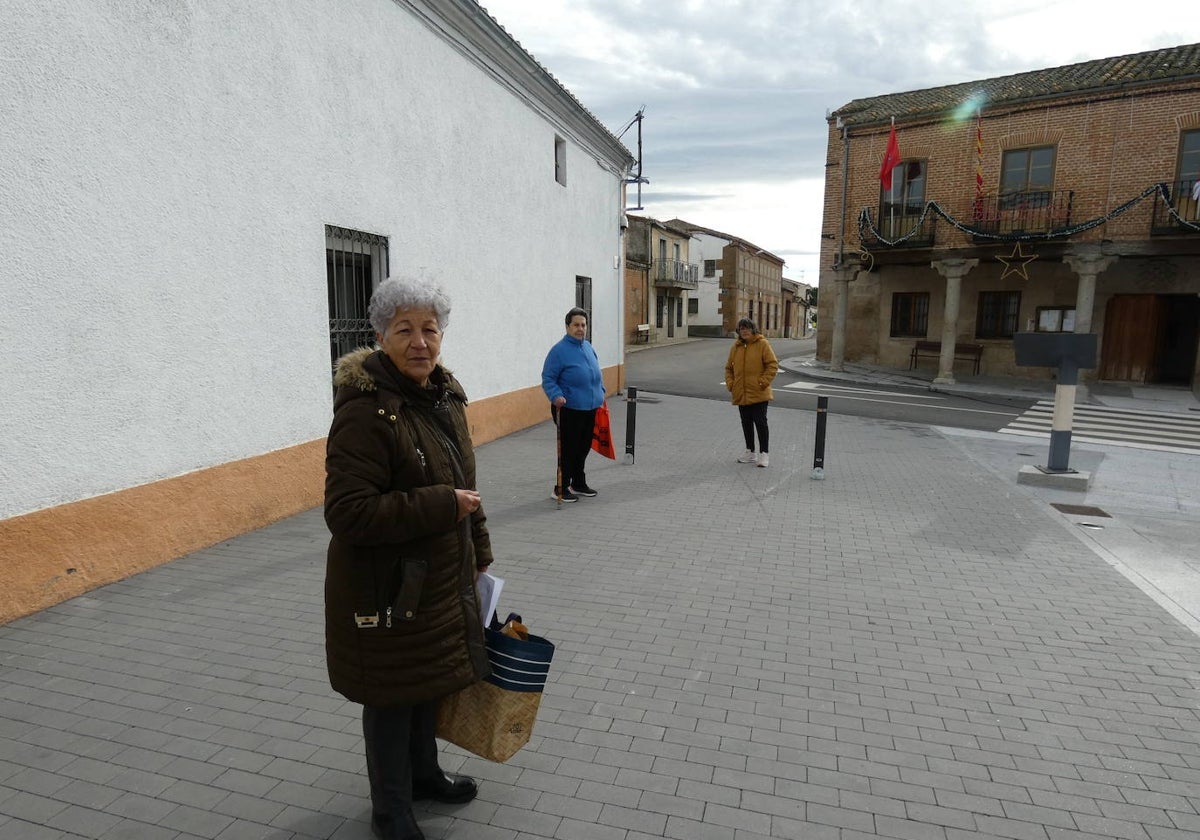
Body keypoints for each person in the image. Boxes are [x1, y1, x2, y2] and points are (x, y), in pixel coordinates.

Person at [324, 276, 492, 840]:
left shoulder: (443, 394)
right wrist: (440, 506)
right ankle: (390, 810)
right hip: (387, 587)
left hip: (440, 578)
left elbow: (466, 483)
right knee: (393, 699)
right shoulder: (365, 411)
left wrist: (481, 554)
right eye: (404, 330)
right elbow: (348, 513)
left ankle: (424, 776)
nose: (420, 341)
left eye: (430, 328)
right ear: (379, 336)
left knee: (429, 684)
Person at [541, 307, 604, 502]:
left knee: (583, 447)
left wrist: (600, 391)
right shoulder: (559, 351)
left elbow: (595, 373)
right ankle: (560, 488)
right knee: (569, 449)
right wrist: (556, 395)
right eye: (576, 325)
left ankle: (578, 483)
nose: (580, 328)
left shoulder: (588, 347)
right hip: (568, 408)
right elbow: (548, 378)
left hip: (589, 407)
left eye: (583, 325)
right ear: (568, 326)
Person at [725, 317, 779, 468]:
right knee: (746, 422)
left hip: (758, 392)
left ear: (753, 329)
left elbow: (772, 365)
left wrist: (762, 382)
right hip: (741, 392)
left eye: (747, 328)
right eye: (741, 329)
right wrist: (731, 384)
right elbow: (729, 368)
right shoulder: (736, 347)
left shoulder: (762, 344)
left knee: (761, 423)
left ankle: (764, 454)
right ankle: (750, 452)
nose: (744, 331)